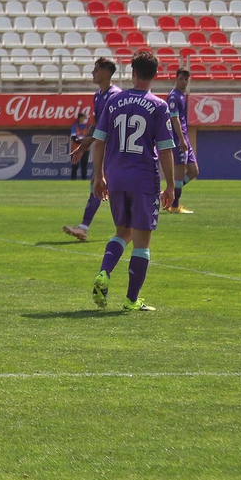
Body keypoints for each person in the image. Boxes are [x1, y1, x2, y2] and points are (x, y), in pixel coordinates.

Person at [90, 50, 175, 312]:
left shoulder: (113, 101)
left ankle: (104, 272)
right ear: (156, 74)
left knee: (122, 232)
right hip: (143, 180)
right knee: (141, 240)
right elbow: (164, 149)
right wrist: (171, 184)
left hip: (116, 177)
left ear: (133, 72)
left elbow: (99, 140)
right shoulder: (159, 106)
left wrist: (98, 175)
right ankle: (131, 300)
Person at [63, 58, 122, 242]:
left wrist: (90, 143)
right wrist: (84, 147)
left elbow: (111, 127)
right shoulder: (98, 96)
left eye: (96, 69)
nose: (92, 73)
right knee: (99, 185)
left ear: (106, 72)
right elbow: (96, 124)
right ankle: (84, 227)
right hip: (105, 148)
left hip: (117, 150)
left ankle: (129, 229)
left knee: (107, 186)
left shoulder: (116, 96)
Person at [164, 67, 198, 214]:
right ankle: (175, 206)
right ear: (176, 79)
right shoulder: (173, 96)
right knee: (178, 173)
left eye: (186, 79)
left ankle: (168, 193)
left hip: (184, 137)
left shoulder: (182, 96)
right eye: (181, 79)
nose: (183, 82)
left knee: (193, 171)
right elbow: (174, 118)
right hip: (178, 138)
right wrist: (181, 139)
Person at [69, 114, 90, 181]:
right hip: (75, 149)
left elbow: (90, 137)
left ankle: (84, 180)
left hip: (85, 149)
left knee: (84, 166)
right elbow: (73, 137)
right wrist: (82, 143)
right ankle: (73, 181)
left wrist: (84, 144)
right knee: (75, 166)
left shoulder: (88, 127)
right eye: (84, 118)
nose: (86, 119)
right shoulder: (75, 126)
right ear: (80, 119)